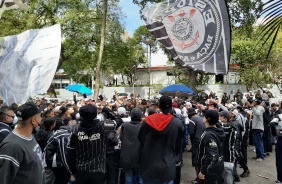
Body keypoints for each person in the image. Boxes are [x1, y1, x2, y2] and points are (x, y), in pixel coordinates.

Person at [138, 95, 183, 184]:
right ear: (171, 105)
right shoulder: (177, 123)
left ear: (159, 105)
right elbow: (179, 145)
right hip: (168, 164)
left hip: (149, 164)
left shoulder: (147, 121)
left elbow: (141, 138)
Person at [0, 102, 45, 184]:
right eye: (40, 116)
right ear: (33, 121)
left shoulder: (30, 136)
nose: (41, 119)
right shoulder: (12, 146)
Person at [67, 104, 107, 183]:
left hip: (81, 170)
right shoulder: (103, 126)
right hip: (98, 169)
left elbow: (71, 151)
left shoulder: (76, 129)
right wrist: (105, 109)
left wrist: (73, 171)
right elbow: (117, 120)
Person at [196, 110, 225, 184]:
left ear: (207, 119)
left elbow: (213, 155)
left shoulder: (209, 135)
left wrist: (203, 171)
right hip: (218, 165)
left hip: (210, 171)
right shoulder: (219, 130)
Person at [120, 108, 143, 184]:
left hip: (127, 157)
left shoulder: (125, 126)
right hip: (140, 157)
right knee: (140, 178)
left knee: (128, 178)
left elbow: (121, 137)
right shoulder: (143, 127)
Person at [188, 108, 205, 184]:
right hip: (204, 141)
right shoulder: (202, 118)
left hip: (196, 142)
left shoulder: (192, 120)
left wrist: (192, 142)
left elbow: (191, 133)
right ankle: (202, 177)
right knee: (202, 160)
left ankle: (199, 179)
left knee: (196, 161)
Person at [219, 111, 236, 184]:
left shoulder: (230, 126)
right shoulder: (229, 125)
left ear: (225, 119)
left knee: (227, 175)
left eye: (220, 117)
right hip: (225, 154)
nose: (218, 118)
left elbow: (221, 127)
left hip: (228, 155)